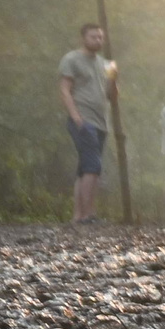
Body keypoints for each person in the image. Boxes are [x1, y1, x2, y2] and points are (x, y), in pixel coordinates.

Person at [57, 24, 115, 224]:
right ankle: (88, 214)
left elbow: (112, 96)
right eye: (93, 37)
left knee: (84, 169)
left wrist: (114, 78)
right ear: (84, 38)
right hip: (83, 119)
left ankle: (78, 216)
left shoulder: (106, 64)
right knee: (93, 166)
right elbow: (64, 89)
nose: (98, 41)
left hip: (101, 122)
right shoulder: (72, 59)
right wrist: (76, 118)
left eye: (100, 37)